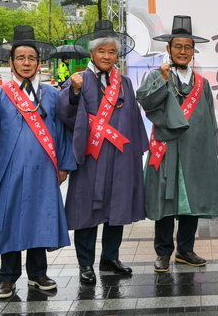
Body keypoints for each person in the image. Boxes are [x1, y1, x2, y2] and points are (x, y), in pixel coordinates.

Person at [0, 25, 76, 299]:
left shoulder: (51, 94)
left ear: (38, 63)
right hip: (8, 169)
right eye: (20, 58)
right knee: (7, 219)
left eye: (31, 58)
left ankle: (38, 274)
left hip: (44, 169)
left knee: (39, 218)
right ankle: (7, 278)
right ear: (11, 63)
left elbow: (65, 131)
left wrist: (64, 164)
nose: (26, 62)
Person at [57, 20, 148, 285]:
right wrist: (73, 93)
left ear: (117, 56)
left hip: (120, 156)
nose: (107, 56)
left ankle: (110, 257)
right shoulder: (79, 80)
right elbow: (65, 114)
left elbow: (133, 117)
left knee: (116, 208)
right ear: (92, 53)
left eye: (112, 52)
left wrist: (135, 154)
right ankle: (85, 264)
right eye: (101, 51)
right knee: (86, 210)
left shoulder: (125, 83)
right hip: (91, 156)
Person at [136, 15, 218, 273]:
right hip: (167, 151)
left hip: (195, 152)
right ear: (169, 49)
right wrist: (163, 81)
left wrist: (211, 152)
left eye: (188, 47)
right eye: (178, 46)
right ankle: (163, 253)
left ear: (193, 51)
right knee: (165, 204)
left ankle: (185, 250)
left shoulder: (202, 84)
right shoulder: (157, 75)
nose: (183, 51)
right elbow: (146, 102)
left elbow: (210, 119)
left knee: (191, 203)